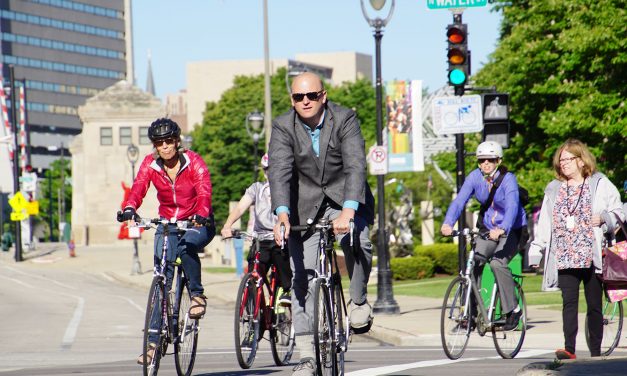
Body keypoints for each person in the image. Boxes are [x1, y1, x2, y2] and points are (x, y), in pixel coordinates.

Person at [268, 72, 375, 376]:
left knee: (358, 242)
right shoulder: (282, 126)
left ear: (323, 96)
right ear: (292, 100)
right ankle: (306, 356)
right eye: (298, 97)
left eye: (311, 96)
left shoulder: (345, 119)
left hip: (345, 198)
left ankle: (357, 300)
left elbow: (356, 165)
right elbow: (279, 172)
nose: (305, 102)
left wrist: (349, 211)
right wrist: (283, 214)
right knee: (303, 277)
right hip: (304, 207)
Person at [117, 118, 215, 365]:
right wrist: (130, 207)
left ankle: (197, 295)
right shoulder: (150, 164)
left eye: (169, 141)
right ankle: (153, 344)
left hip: (196, 222)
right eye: (159, 143)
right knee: (161, 279)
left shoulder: (194, 162)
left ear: (177, 141)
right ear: (155, 146)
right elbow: (138, 187)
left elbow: (204, 191)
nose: (165, 147)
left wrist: (201, 214)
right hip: (168, 223)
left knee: (187, 246)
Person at [528, 139, 624, 360]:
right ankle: (569, 348)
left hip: (592, 255)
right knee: (568, 303)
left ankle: (595, 353)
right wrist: (537, 249)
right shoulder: (554, 189)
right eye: (561, 160)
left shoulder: (599, 183)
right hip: (564, 255)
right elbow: (545, 222)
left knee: (594, 306)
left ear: (581, 161)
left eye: (568, 159)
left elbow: (620, 210)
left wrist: (604, 218)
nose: (564, 164)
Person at [441, 140, 527, 332]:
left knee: (497, 263)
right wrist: (448, 222)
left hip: (512, 230)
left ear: (498, 160)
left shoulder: (508, 179)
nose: (485, 163)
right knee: (473, 263)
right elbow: (459, 201)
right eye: (481, 160)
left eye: (490, 159)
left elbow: (513, 206)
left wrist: (503, 228)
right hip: (488, 230)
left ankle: (513, 309)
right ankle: (471, 315)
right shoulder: (475, 177)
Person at [220, 153, 292, 305]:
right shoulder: (256, 189)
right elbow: (240, 208)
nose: (270, 173)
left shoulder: (288, 188)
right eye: (266, 170)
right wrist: (228, 225)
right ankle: (254, 313)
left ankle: (287, 291)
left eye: (273, 169)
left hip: (281, 240)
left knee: (284, 267)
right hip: (260, 241)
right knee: (253, 274)